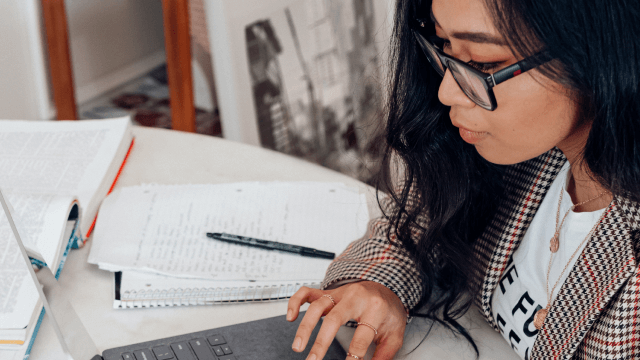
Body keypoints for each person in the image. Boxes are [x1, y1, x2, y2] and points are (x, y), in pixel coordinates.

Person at [287, 0, 640, 359]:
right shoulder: (535, 153)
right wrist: (377, 285)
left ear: (601, 49)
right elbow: (427, 220)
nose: (446, 92)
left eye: (484, 63)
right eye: (444, 48)